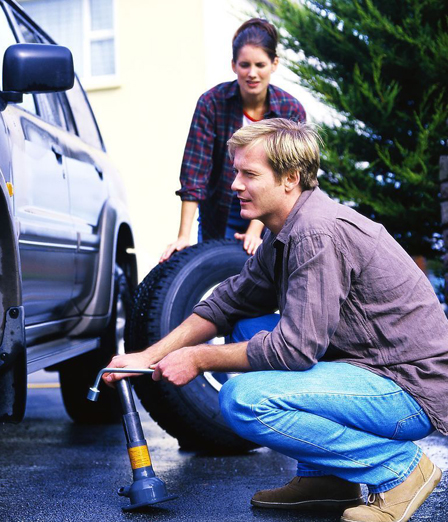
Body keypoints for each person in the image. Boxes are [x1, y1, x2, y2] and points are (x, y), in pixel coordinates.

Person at [107, 119, 448, 522]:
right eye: (236, 172)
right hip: (367, 369)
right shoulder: (284, 230)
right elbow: (228, 302)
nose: (234, 184)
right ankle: (328, 479)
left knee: (244, 400)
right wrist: (147, 355)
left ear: (290, 179)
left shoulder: (314, 233)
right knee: (247, 326)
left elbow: (296, 349)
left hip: (408, 389)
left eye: (249, 174)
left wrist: (198, 359)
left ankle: (400, 470)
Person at [160, 18, 306, 263]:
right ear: (233, 65)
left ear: (274, 64)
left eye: (260, 64)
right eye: (244, 65)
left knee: (265, 277)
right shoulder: (211, 103)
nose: (252, 73)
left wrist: (256, 228)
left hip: (274, 212)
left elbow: (287, 178)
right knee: (216, 278)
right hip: (222, 210)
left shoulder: (291, 111)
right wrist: (183, 236)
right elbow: (195, 172)